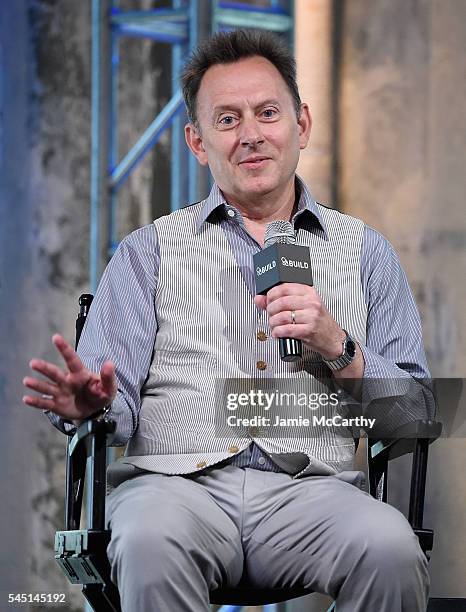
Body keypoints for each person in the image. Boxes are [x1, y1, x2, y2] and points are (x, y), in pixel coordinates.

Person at [23, 29, 435, 611]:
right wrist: (94, 405)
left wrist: (339, 345)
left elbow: (416, 414)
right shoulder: (148, 251)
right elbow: (108, 400)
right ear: (196, 141)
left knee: (391, 548)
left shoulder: (368, 252)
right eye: (226, 120)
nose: (250, 135)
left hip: (314, 494)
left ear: (302, 124)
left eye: (268, 113)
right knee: (146, 541)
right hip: (175, 491)